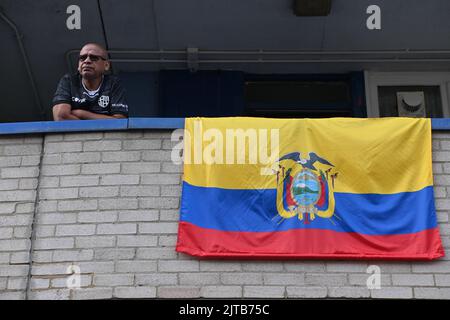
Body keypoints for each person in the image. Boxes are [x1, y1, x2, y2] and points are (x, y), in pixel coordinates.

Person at [52, 43, 128, 120]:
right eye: (82, 58)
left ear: (106, 65)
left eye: (94, 58)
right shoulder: (69, 80)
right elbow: (61, 116)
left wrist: (82, 114)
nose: (87, 61)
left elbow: (120, 121)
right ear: (78, 65)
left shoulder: (113, 83)